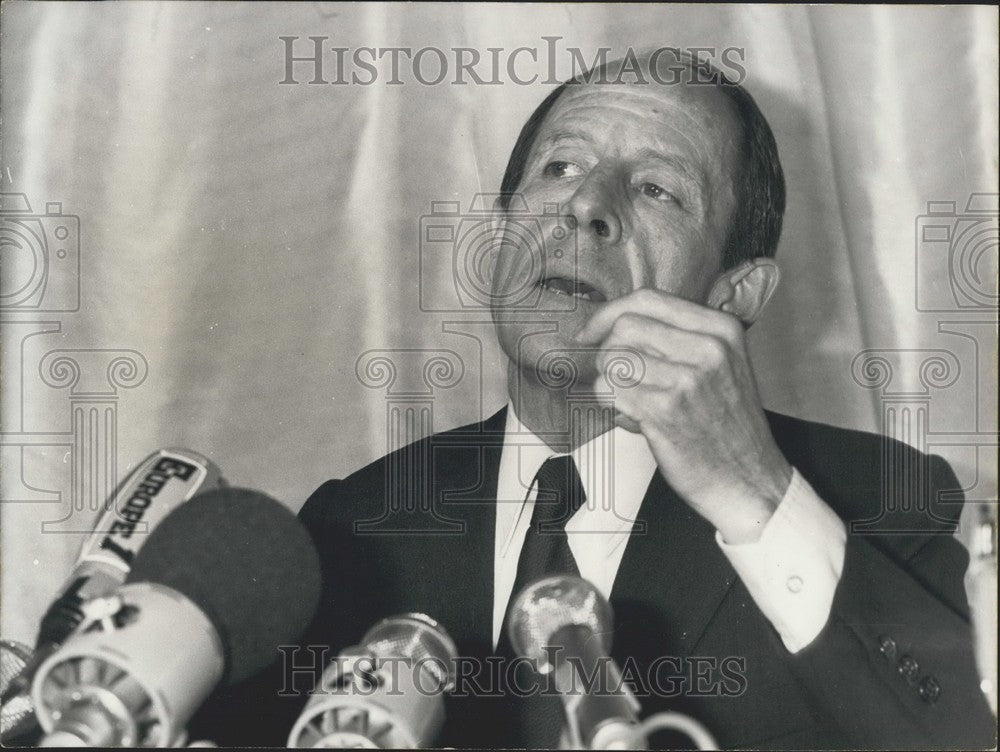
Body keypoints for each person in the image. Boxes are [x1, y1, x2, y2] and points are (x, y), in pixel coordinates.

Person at [192, 51, 995, 749]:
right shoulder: (349, 530)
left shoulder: (883, 506)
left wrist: (753, 494)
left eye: (656, 189)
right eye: (561, 168)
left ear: (736, 291)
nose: (585, 206)